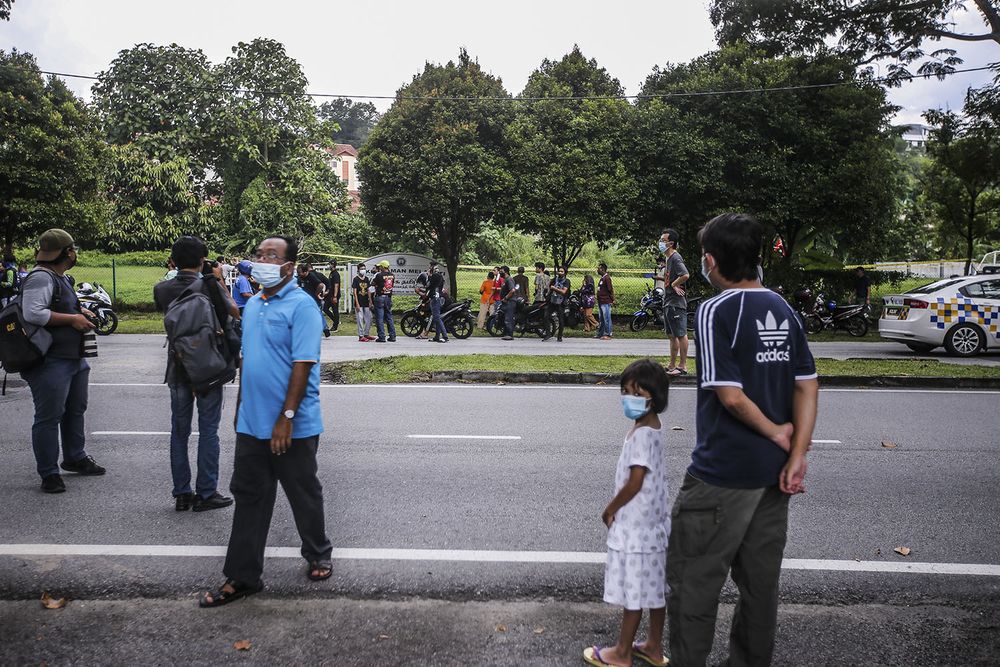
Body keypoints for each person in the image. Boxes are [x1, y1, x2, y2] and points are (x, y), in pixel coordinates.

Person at [667, 212, 817, 666]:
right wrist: (796, 454)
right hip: (772, 476)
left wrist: (774, 429)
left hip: (720, 476)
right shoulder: (783, 308)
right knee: (759, 590)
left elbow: (730, 396)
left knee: (694, 584)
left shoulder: (715, 309)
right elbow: (807, 384)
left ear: (710, 262)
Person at [201, 235, 333, 608]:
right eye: (259, 254)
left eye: (271, 255)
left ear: (288, 267)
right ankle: (242, 577)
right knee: (249, 499)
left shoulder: (303, 306)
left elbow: (303, 364)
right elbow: (250, 361)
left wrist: (285, 418)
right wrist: (241, 409)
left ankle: (318, 552)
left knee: (302, 491)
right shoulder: (254, 305)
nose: (261, 260)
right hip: (252, 424)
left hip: (293, 424)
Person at [584, 359, 671, 667]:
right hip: (654, 524)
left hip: (637, 524)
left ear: (653, 395)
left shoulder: (643, 435)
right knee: (654, 587)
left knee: (635, 590)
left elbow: (635, 482)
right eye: (624, 392)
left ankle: (621, 653)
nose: (627, 398)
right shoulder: (651, 426)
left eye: (634, 392)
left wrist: (610, 509)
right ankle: (654, 646)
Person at [153, 236, 239, 512]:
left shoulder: (161, 289)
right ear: (203, 260)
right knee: (208, 431)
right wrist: (217, 281)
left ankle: (181, 493)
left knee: (179, 432)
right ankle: (206, 492)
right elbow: (233, 311)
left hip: (178, 367)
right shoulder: (208, 285)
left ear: (173, 261)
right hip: (208, 366)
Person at [19, 229, 105, 493]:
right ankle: (49, 473)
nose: (75, 253)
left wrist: (80, 310)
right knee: (49, 416)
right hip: (50, 360)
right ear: (68, 252)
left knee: (75, 409)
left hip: (73, 357)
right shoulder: (41, 278)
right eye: (73, 249)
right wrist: (72, 319)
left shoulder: (61, 278)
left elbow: (59, 305)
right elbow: (33, 313)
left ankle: (74, 457)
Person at [660, 229, 691, 377]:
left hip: (676, 303)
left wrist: (673, 284)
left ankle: (682, 366)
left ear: (671, 243)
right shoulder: (668, 259)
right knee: (672, 336)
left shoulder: (676, 258)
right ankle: (672, 365)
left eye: (663, 240)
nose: (660, 243)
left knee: (680, 334)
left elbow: (685, 274)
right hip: (668, 302)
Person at [297, 264, 330, 338]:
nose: (298, 274)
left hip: (314, 300)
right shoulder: (299, 278)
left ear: (305, 272)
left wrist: (317, 293)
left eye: (300, 272)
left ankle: (323, 329)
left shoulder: (312, 276)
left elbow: (321, 285)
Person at [371, 260, 397, 343]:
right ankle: (392, 336)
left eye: (380, 267)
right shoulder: (392, 275)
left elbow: (372, 283)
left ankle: (382, 336)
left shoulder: (379, 275)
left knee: (380, 318)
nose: (379, 268)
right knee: (389, 317)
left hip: (380, 297)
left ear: (382, 267)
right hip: (388, 297)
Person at [543, 265, 570, 342]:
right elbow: (548, 286)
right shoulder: (555, 279)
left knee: (561, 319)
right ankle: (548, 333)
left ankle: (560, 336)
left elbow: (564, 292)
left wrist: (554, 288)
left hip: (561, 302)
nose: (560, 273)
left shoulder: (566, 281)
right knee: (546, 316)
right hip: (552, 300)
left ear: (565, 273)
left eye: (562, 271)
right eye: (559, 271)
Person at [426, 261, 448, 343]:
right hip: (439, 297)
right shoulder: (440, 276)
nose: (429, 268)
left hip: (435, 298)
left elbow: (428, 285)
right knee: (436, 317)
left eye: (430, 266)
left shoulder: (434, 276)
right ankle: (437, 336)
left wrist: (428, 276)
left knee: (437, 318)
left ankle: (445, 336)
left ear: (432, 267)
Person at [352, 263, 374, 342]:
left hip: (366, 302)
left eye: (364, 268)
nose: (363, 270)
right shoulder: (355, 279)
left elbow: (368, 290)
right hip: (359, 302)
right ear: (358, 270)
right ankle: (361, 336)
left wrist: (370, 301)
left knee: (369, 318)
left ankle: (366, 334)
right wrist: (357, 303)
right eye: (361, 269)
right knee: (360, 319)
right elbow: (354, 292)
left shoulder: (367, 279)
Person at [499, 265, 520, 340]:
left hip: (510, 301)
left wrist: (506, 298)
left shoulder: (509, 279)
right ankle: (506, 333)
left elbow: (513, 290)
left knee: (509, 317)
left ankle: (510, 334)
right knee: (506, 317)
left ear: (506, 271)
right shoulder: (505, 280)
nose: (500, 272)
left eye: (501, 271)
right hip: (506, 302)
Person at [596, 262, 615, 340]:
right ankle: (600, 333)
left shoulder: (607, 278)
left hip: (605, 301)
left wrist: (613, 299)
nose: (597, 270)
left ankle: (608, 334)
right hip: (601, 301)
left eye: (598, 268)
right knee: (602, 319)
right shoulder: (602, 278)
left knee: (606, 318)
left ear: (602, 269)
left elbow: (610, 289)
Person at [324, 260, 341, 332]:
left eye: (329, 264)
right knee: (325, 308)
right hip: (329, 295)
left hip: (334, 295)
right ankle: (336, 321)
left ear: (333, 265)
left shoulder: (336, 274)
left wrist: (335, 296)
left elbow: (336, 285)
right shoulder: (331, 273)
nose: (328, 265)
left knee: (335, 310)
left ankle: (335, 326)